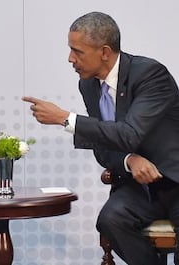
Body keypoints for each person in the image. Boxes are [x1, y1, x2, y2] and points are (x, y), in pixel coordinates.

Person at [22, 11, 179, 265]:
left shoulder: (150, 75)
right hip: (139, 188)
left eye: (78, 51)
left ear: (105, 52)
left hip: (175, 179)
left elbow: (129, 133)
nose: (70, 59)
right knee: (110, 219)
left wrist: (66, 118)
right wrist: (129, 160)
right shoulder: (89, 85)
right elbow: (102, 144)